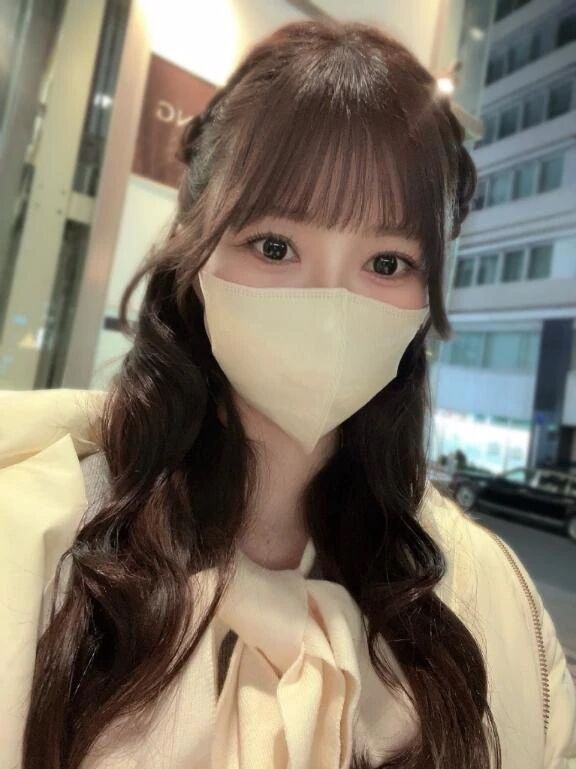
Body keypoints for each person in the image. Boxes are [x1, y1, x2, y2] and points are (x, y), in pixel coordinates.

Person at [1, 18, 574, 769]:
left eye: (388, 262)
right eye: (275, 247)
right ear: (195, 254)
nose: (332, 305)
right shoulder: (36, 540)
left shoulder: (486, 591)